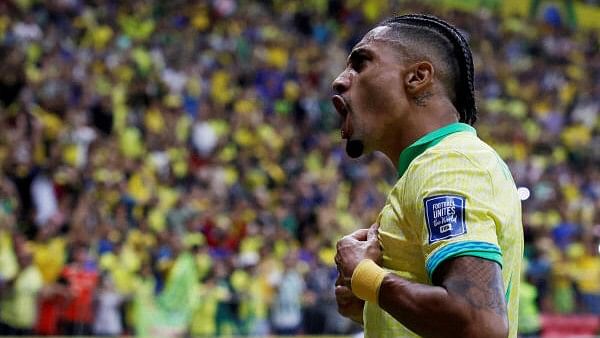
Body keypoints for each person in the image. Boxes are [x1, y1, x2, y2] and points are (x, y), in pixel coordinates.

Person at [331, 14, 523, 338]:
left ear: (418, 77)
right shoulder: (433, 166)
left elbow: (480, 324)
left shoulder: (450, 163)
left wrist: (365, 275)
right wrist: (372, 307)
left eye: (361, 63)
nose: (339, 80)